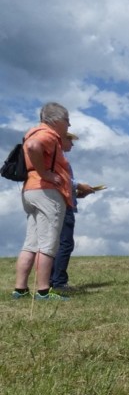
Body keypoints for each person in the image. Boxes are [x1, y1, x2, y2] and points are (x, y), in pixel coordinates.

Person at [12, 102, 73, 301]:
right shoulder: (47, 134)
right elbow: (33, 147)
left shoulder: (31, 131)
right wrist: (45, 173)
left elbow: (29, 145)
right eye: (67, 121)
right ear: (56, 120)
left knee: (31, 243)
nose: (69, 126)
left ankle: (20, 289)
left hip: (30, 190)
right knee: (48, 244)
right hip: (47, 193)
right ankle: (43, 291)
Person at [50, 132, 96, 291]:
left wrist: (77, 193)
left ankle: (51, 280)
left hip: (61, 201)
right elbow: (62, 179)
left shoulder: (56, 157)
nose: (72, 144)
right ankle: (59, 282)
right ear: (61, 140)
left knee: (56, 244)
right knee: (65, 243)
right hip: (63, 204)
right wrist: (78, 186)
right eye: (70, 139)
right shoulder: (59, 158)